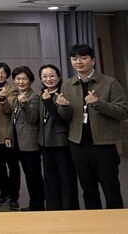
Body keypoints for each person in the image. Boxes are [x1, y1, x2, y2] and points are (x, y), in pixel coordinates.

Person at [57, 43, 128, 209]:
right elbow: (65, 116)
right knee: (88, 190)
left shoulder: (109, 83)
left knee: (111, 189)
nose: (78, 61)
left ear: (93, 60)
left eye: (83, 57)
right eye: (74, 58)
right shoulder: (67, 85)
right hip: (78, 144)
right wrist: (63, 107)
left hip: (103, 145)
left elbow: (123, 111)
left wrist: (99, 104)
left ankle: (116, 225)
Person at [38, 64, 79, 210]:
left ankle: (69, 210)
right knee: (50, 180)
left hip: (61, 143)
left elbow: (62, 118)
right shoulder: (42, 94)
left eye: (52, 75)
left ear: (59, 77)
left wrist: (49, 102)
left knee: (66, 179)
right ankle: (53, 210)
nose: (48, 79)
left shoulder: (64, 93)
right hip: (45, 143)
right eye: (45, 76)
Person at [5, 66, 45, 211]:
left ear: (30, 80)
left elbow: (33, 118)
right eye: (18, 79)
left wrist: (24, 104)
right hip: (18, 142)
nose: (21, 82)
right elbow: (13, 119)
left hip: (30, 142)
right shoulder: (18, 96)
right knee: (28, 175)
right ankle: (34, 203)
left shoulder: (34, 96)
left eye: (24, 79)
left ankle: (38, 204)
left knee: (33, 176)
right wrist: (9, 135)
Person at [0, 62, 21, 210]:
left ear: (7, 74)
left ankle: (14, 197)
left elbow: (9, 110)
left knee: (13, 168)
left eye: (3, 72)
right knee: (0, 168)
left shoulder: (12, 90)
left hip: (7, 135)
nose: (0, 74)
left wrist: (2, 99)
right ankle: (3, 194)